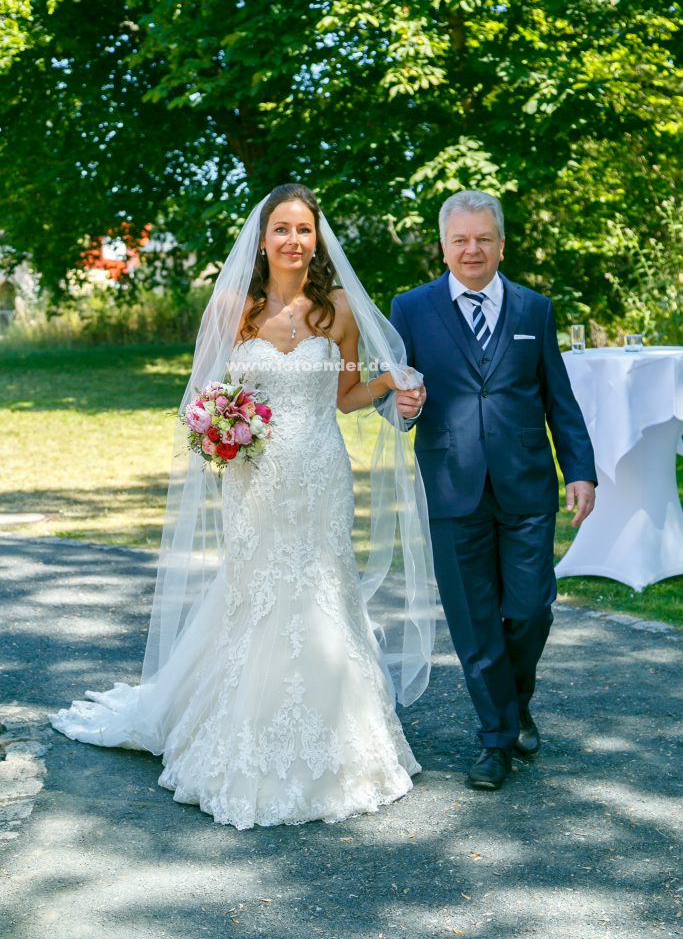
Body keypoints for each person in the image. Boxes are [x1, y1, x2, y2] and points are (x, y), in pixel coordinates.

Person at [50, 184, 437, 829]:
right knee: (259, 595)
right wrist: (218, 428)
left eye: (305, 230)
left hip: (320, 476)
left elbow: (345, 396)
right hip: (253, 482)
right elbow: (201, 400)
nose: (293, 240)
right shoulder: (235, 306)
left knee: (324, 593)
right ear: (262, 238)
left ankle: (344, 743)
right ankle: (236, 740)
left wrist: (393, 387)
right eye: (281, 228)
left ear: (318, 239)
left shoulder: (335, 308)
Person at [389, 189, 596, 791]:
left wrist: (579, 469)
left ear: (501, 243)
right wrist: (399, 406)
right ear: (444, 246)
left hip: (527, 485)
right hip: (452, 486)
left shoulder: (535, 310)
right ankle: (496, 738)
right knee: (474, 620)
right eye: (460, 240)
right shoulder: (411, 308)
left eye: (483, 239)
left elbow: (559, 397)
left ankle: (512, 699)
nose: (472, 249)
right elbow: (393, 397)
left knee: (530, 609)